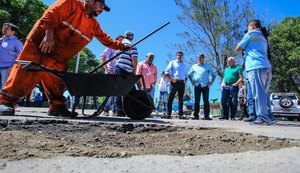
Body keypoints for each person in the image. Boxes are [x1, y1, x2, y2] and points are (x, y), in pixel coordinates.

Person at [0, 0, 129, 117]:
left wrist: (122, 46)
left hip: (58, 56)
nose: (101, 9)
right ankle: (6, 102)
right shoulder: (71, 3)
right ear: (90, 1)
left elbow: (105, 39)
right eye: (100, 5)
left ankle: (57, 107)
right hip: (40, 45)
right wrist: (49, 36)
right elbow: (51, 14)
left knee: (57, 81)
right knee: (26, 71)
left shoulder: (93, 24)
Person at [236, 19, 276, 125]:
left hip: (256, 67)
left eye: (248, 27)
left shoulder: (251, 34)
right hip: (266, 67)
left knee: (258, 94)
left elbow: (238, 48)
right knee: (264, 93)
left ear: (253, 26)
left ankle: (262, 117)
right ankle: (269, 116)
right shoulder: (263, 36)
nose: (247, 29)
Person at [114, 31, 138, 117]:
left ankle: (118, 110)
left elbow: (115, 59)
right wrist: (135, 69)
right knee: (131, 91)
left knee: (118, 90)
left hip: (118, 68)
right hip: (127, 70)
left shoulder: (119, 45)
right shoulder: (132, 45)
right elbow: (134, 58)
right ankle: (131, 110)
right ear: (132, 37)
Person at [100, 35, 124, 116]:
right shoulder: (111, 48)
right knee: (109, 92)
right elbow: (103, 56)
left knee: (117, 93)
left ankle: (115, 110)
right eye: (119, 41)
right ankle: (105, 109)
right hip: (110, 72)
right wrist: (107, 69)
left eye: (122, 41)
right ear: (116, 41)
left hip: (118, 73)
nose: (121, 42)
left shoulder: (122, 50)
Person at [188, 54, 216, 120]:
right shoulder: (194, 66)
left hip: (205, 85)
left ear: (203, 58)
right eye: (198, 58)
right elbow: (189, 74)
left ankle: (206, 116)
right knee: (196, 101)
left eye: (201, 58)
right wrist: (192, 81)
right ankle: (196, 115)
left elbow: (214, 74)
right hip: (197, 85)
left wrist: (211, 82)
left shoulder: (208, 66)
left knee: (206, 101)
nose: (199, 59)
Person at [0, 23, 23, 91]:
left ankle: (3, 101)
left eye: (6, 29)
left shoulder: (16, 42)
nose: (4, 29)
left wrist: (14, 66)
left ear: (13, 32)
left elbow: (21, 56)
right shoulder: (1, 40)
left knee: (4, 88)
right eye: (3, 28)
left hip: (7, 69)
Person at [164, 51, 187, 119]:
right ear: (176, 56)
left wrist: (185, 80)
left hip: (182, 83)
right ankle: (168, 114)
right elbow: (166, 71)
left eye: (181, 55)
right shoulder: (172, 62)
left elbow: (186, 74)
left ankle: (180, 114)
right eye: (178, 55)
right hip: (174, 82)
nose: (179, 56)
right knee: (171, 97)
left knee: (181, 99)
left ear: (182, 56)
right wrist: (171, 78)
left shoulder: (184, 65)